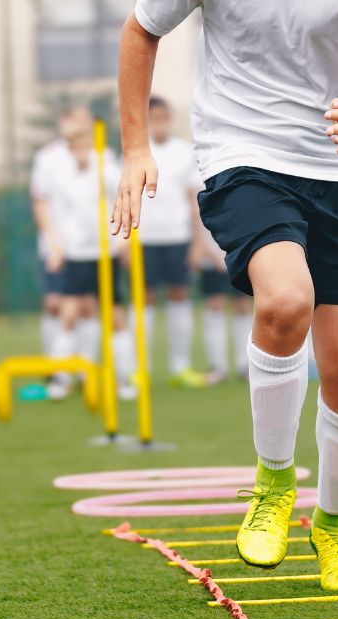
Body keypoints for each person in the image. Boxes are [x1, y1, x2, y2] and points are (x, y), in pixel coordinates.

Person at [114, 2, 338, 590]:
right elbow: (140, 29)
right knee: (284, 300)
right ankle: (274, 485)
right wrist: (135, 149)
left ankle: (333, 524)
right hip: (243, 158)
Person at [46, 129, 135, 401]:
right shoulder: (63, 179)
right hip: (77, 254)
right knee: (69, 313)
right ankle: (61, 378)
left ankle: (123, 379)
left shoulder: (108, 172)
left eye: (88, 147)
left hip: (105, 253)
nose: (83, 152)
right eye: (78, 147)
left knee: (115, 316)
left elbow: (125, 202)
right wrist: (58, 247)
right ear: (71, 150)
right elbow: (57, 214)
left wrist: (124, 243)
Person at [128, 96, 205, 387]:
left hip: (177, 236)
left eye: (163, 117)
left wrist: (197, 243)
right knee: (143, 300)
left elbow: (193, 201)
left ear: (169, 118)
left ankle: (180, 367)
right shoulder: (136, 152)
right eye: (153, 118)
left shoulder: (185, 152)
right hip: (142, 238)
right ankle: (140, 369)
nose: (159, 124)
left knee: (179, 296)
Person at [31, 107, 93, 360]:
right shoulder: (48, 157)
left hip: (91, 246)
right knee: (55, 303)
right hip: (58, 244)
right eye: (74, 120)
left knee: (87, 306)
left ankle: (85, 368)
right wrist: (53, 243)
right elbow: (40, 200)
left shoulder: (103, 154)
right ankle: (54, 366)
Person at [193, 224, 253, 382]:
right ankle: (218, 367)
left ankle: (246, 365)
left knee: (242, 307)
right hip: (211, 258)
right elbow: (195, 218)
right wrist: (204, 249)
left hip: (240, 255)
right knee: (215, 306)